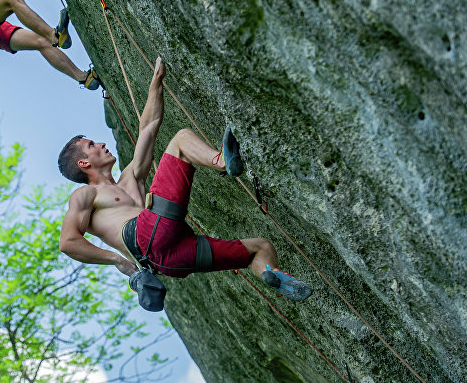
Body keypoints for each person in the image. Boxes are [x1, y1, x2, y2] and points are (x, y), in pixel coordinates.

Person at [56, 57, 311, 309]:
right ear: (84, 164)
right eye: (91, 145)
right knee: (180, 140)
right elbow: (68, 242)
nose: (100, 143)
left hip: (169, 260)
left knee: (261, 247)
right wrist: (116, 260)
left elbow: (149, 127)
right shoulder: (85, 194)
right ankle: (222, 160)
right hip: (146, 237)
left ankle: (270, 272)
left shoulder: (130, 177)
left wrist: (157, 81)